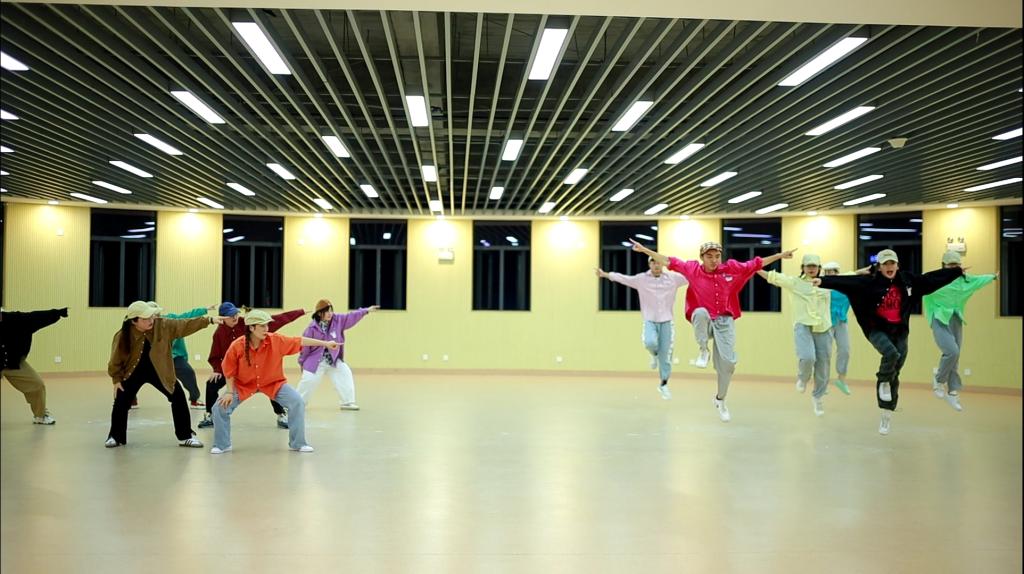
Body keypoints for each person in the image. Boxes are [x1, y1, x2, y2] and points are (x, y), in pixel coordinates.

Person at [630, 239, 796, 422]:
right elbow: (668, 260)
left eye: (717, 256)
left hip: (724, 321)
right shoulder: (692, 269)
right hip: (704, 320)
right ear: (702, 257)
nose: (714, 260)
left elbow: (756, 263)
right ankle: (703, 350)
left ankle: (720, 399)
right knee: (700, 312)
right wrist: (645, 250)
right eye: (709, 257)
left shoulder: (731, 269)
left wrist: (780, 255)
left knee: (728, 364)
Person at [814, 249, 963, 435]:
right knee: (891, 354)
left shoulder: (907, 281)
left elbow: (930, 279)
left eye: (892, 263)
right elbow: (847, 282)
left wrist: (955, 271)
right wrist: (823, 281)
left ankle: (886, 413)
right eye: (885, 264)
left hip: (899, 331)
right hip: (876, 328)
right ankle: (883, 382)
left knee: (896, 369)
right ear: (879, 267)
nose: (889, 267)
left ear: (897, 265)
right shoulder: (869, 282)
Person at [211, 310, 339, 454]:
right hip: (243, 385)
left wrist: (326, 343)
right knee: (219, 408)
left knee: (297, 402)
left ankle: (298, 443)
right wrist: (229, 392)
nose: (266, 329)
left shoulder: (276, 340)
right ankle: (222, 445)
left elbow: (299, 341)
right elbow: (229, 370)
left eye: (267, 325)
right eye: (262, 326)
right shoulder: (237, 345)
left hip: (273, 383)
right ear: (251, 328)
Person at [105, 301, 222, 448]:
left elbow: (184, 324)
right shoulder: (123, 335)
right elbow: (115, 360)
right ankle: (115, 436)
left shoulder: (163, 325)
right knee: (121, 400)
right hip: (132, 371)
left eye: (151, 317)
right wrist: (116, 380)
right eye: (146, 318)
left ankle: (185, 436)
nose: (151, 320)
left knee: (178, 397)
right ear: (134, 321)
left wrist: (209, 320)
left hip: (160, 370)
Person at [197, 302, 304, 430]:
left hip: (254, 368)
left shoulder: (247, 323)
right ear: (222, 318)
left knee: (271, 383)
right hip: (233, 371)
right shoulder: (219, 334)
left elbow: (278, 320)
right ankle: (210, 415)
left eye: (236, 314)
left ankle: (281, 413)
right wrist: (217, 370)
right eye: (231, 316)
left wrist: (299, 312)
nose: (235, 317)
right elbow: (215, 356)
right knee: (211, 384)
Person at [595, 258, 688, 399]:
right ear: (649, 264)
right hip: (650, 320)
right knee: (650, 342)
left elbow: (691, 276)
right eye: (653, 263)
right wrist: (605, 274)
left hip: (667, 321)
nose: (656, 265)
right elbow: (624, 278)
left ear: (662, 264)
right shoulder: (641, 279)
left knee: (665, 357)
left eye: (658, 262)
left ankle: (663, 384)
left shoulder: (673, 278)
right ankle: (654, 354)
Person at [923, 250, 998, 412]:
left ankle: (953, 392)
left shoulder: (965, 281)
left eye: (956, 265)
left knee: (955, 357)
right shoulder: (934, 280)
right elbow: (918, 283)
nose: (954, 268)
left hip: (956, 318)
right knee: (952, 351)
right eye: (950, 265)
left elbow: (978, 280)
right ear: (943, 266)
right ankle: (939, 380)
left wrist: (993, 276)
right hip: (939, 317)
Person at [756, 254, 832, 416]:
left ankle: (818, 397)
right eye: (808, 266)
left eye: (814, 266)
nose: (811, 269)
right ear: (803, 268)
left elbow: (850, 278)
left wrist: (865, 272)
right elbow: (773, 277)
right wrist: (754, 268)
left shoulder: (828, 283)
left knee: (823, 365)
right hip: (803, 325)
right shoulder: (795, 282)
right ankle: (803, 378)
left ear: (819, 268)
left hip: (823, 327)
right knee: (807, 357)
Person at [296, 299, 379, 410]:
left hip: (333, 360)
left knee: (345, 373)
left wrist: (366, 310)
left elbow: (351, 316)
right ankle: (298, 403)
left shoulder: (338, 320)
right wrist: (302, 362)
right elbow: (305, 347)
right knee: (308, 381)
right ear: (319, 313)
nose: (330, 313)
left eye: (331, 310)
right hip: (315, 362)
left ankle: (347, 402)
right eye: (326, 311)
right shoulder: (311, 329)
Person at [0, 306, 68, 425]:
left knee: (37, 384)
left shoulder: (17, 320)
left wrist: (56, 313)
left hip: (13, 363)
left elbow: (36, 317)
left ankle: (40, 416)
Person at [148, 301, 215, 408]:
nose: (155, 317)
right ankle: (131, 399)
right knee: (133, 374)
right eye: (152, 315)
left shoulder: (170, 320)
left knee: (188, 372)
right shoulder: (143, 327)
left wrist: (204, 310)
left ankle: (194, 399)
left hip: (174, 356)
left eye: (157, 314)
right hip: (154, 358)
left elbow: (187, 317)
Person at [821, 262, 853, 395]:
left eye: (832, 271)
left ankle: (841, 379)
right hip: (826, 322)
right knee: (825, 353)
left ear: (837, 272)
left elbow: (855, 275)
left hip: (841, 322)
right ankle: (822, 383)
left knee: (845, 350)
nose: (830, 274)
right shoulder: (821, 287)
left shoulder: (845, 286)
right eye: (827, 272)